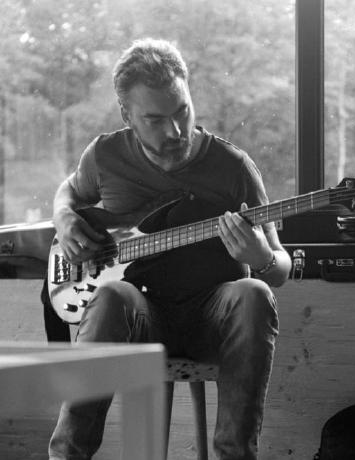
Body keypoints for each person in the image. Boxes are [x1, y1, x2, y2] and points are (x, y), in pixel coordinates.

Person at [48, 37, 292, 460]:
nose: (175, 130)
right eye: (155, 120)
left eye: (182, 111)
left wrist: (262, 260)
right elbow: (69, 190)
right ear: (127, 115)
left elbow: (281, 266)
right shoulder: (105, 155)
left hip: (215, 322)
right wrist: (63, 216)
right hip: (143, 319)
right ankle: (67, 455)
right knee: (110, 295)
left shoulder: (234, 166)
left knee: (254, 292)